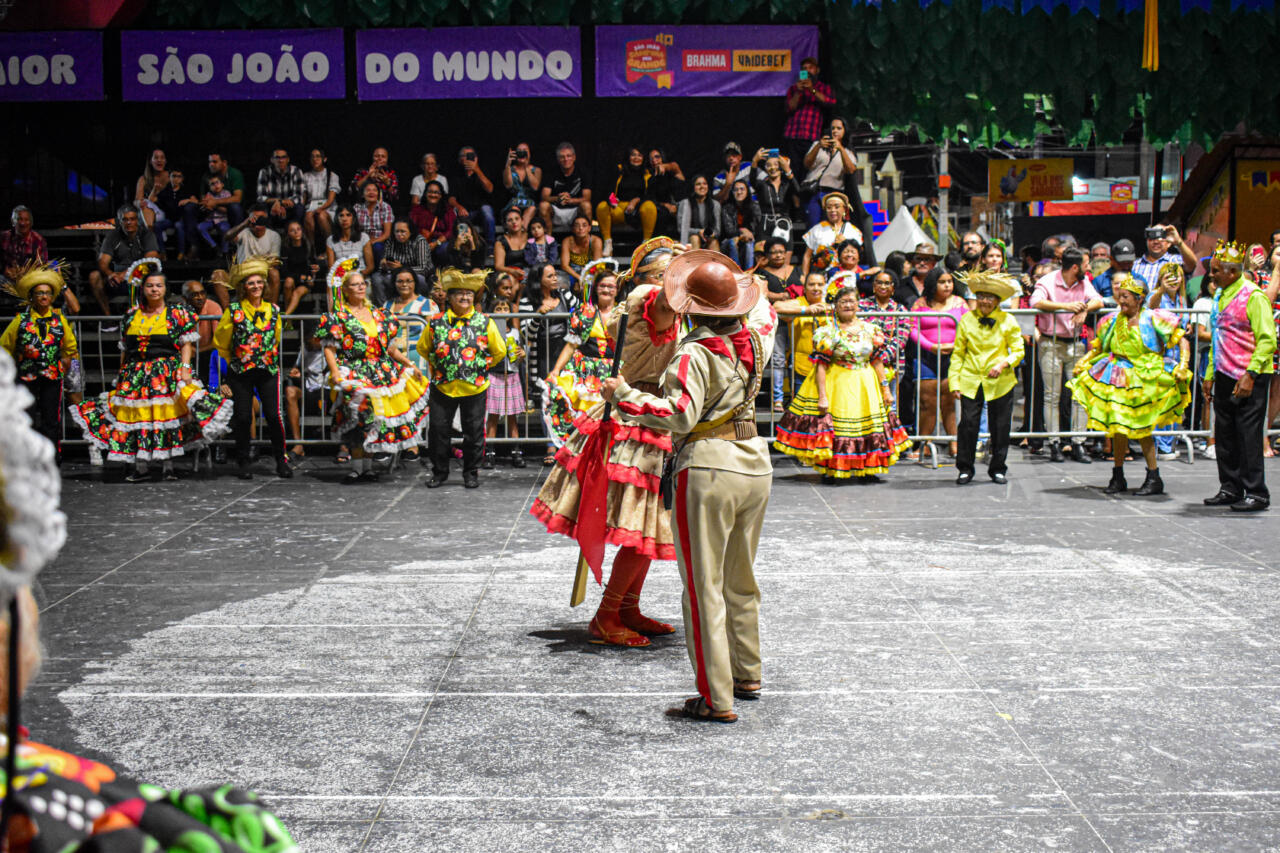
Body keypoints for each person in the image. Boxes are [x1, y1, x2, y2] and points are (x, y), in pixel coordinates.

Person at [601, 250, 775, 724]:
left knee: (703, 590)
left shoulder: (694, 352)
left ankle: (716, 698)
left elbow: (679, 414)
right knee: (741, 580)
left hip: (709, 467)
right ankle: (747, 673)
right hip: (755, 463)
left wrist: (624, 396)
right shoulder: (758, 340)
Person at [530, 238, 682, 648]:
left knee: (649, 526)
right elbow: (668, 301)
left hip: (649, 411)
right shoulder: (646, 297)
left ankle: (628, 607)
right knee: (641, 524)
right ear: (656, 277)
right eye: (674, 270)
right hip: (636, 417)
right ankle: (607, 614)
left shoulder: (643, 298)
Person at [71, 262, 231, 481]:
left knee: (165, 418)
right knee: (139, 419)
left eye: (158, 286)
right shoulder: (131, 315)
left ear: (165, 289)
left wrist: (185, 368)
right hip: (136, 374)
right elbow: (125, 349)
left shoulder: (176, 314)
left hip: (165, 372)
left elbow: (186, 344)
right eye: (150, 286)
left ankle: (168, 466)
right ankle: (141, 466)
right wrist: (121, 375)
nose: (155, 290)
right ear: (143, 289)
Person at [1068, 272, 1191, 497]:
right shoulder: (1112, 321)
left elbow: (1182, 341)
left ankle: (1154, 476)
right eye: (1120, 296)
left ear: (1139, 298)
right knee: (1118, 427)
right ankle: (1118, 474)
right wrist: (1083, 361)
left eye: (1126, 297)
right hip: (1118, 376)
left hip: (1145, 376)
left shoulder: (1153, 318)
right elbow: (1099, 348)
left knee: (1143, 429)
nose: (1122, 301)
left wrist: (1182, 365)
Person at [775, 284, 909, 483]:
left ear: (858, 305)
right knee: (837, 428)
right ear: (835, 306)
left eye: (852, 301)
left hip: (865, 383)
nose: (848, 305)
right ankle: (831, 469)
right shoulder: (828, 332)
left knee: (868, 428)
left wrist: (885, 389)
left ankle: (866, 469)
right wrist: (822, 396)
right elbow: (820, 365)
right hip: (837, 383)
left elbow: (877, 360)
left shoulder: (870, 330)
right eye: (843, 302)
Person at [316, 269, 429, 483]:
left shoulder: (378, 314)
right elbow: (329, 348)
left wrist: (408, 363)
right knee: (358, 417)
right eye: (355, 284)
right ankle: (356, 468)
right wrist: (336, 373)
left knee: (375, 419)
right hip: (354, 370)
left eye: (362, 283)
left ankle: (366, 468)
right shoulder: (338, 316)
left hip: (380, 371)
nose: (360, 287)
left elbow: (390, 348)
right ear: (345, 289)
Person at [417, 268, 512, 489]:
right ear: (449, 297)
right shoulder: (436, 322)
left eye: (469, 293)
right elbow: (424, 348)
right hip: (443, 387)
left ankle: (471, 473)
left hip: (475, 388)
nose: (464, 297)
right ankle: (439, 472)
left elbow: (499, 350)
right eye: (459, 293)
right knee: (438, 432)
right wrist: (439, 363)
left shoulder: (483, 321)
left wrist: (482, 365)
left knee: (474, 433)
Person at [1202, 241, 1277, 512]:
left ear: (1232, 272)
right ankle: (1231, 487)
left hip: (1249, 375)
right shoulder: (1219, 297)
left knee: (1248, 435)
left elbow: (1267, 340)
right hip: (1224, 373)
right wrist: (1210, 374)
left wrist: (1251, 374)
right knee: (1225, 434)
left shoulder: (1253, 296)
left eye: (1215, 270)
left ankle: (1256, 492)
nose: (1211, 275)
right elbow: (1218, 340)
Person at [213, 257, 291, 480]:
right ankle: (243, 460)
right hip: (241, 372)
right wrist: (235, 363)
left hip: (267, 370)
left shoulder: (273, 310)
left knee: (274, 416)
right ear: (243, 287)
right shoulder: (234, 310)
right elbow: (221, 341)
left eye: (259, 283)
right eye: (251, 283)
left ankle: (280, 460)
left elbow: (275, 338)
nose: (256, 287)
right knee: (244, 417)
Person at [949, 271, 1025, 485]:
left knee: (1000, 426)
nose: (984, 301)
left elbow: (1019, 350)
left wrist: (1003, 364)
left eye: (989, 297)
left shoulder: (1008, 320)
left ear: (998, 300)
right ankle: (965, 468)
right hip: (971, 379)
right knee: (968, 424)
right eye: (981, 296)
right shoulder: (966, 320)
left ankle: (998, 468)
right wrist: (955, 382)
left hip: (1000, 381)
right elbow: (958, 353)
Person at [1031, 247, 1103, 462]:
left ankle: (1078, 442)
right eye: (1086, 264)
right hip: (1050, 343)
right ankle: (1054, 443)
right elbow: (1036, 302)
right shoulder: (1048, 280)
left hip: (1075, 343)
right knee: (1052, 396)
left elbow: (1098, 300)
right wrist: (1066, 306)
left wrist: (1084, 309)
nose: (1088, 268)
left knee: (1079, 395)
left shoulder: (1083, 282)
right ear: (1075, 267)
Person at [0, 261, 78, 458]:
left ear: (52, 297)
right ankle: (25, 457)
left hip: (52, 378)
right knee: (27, 418)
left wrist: (65, 363)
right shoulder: (21, 320)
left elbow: (70, 347)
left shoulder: (60, 320)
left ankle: (51, 456)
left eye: (47, 293)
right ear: (32, 297)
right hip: (26, 378)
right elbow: (5, 347)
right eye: (39, 293)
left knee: (51, 419)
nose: (44, 296)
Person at [542, 260, 619, 447]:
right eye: (603, 286)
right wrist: (556, 371)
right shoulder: (584, 313)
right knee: (587, 418)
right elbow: (571, 345)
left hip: (614, 371)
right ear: (595, 288)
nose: (607, 290)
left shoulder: (624, 313)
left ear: (617, 290)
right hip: (587, 372)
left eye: (611, 286)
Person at [909, 266, 968, 458]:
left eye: (950, 282)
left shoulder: (960, 303)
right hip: (926, 357)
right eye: (942, 282)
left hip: (953, 357)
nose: (947, 285)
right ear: (933, 284)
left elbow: (968, 327)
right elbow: (912, 329)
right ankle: (924, 444)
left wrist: (955, 344)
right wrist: (931, 347)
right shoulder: (920, 303)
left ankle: (954, 443)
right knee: (927, 403)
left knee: (949, 402)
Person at [481, 271, 528, 468]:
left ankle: (516, 451)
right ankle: (489, 451)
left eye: (505, 308)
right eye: (498, 308)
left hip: (512, 375)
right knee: (492, 415)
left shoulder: (516, 332)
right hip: (495, 375)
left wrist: (522, 353)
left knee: (512, 416)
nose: (502, 311)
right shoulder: (488, 331)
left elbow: (522, 350)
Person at [87, 204, 160, 320]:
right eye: (125, 219)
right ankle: (108, 319)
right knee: (94, 276)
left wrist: (124, 274)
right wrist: (110, 274)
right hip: (117, 279)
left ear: (137, 220)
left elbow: (150, 260)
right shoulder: (112, 236)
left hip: (139, 277)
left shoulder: (146, 235)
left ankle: (142, 318)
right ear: (119, 221)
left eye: (132, 219)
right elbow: (102, 261)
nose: (129, 222)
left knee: (148, 276)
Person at [1147, 262, 1190, 460]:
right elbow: (1150, 305)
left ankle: (1167, 443)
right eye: (1168, 276)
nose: (1174, 280)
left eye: (1177, 276)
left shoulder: (1181, 299)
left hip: (1176, 356)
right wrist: (1161, 289)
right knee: (1162, 400)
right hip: (1159, 356)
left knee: (1174, 399)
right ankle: (1161, 445)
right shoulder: (1158, 295)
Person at [859, 269, 913, 403]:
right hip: (865, 364)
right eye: (879, 282)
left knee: (890, 405)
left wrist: (880, 360)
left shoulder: (900, 310)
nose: (883, 286)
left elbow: (900, 339)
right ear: (873, 286)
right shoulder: (861, 306)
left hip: (892, 367)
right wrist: (872, 359)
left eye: (887, 283)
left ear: (893, 288)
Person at [182, 152, 245, 257]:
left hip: (227, 211)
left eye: (215, 161)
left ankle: (235, 246)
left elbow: (237, 198)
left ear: (224, 163)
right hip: (210, 213)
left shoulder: (234, 174)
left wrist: (215, 203)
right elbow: (203, 199)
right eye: (210, 161)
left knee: (236, 207)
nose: (211, 164)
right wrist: (201, 202)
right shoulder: (206, 176)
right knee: (189, 208)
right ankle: (195, 245)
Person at [596, 147, 655, 256]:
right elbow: (608, 192)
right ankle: (608, 243)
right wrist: (613, 200)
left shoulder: (648, 173)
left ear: (643, 158)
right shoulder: (619, 170)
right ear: (628, 157)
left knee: (650, 206)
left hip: (638, 211)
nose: (636, 158)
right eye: (633, 155)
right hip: (619, 208)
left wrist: (635, 201)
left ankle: (646, 244)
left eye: (639, 155)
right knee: (602, 206)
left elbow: (650, 195)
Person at [801, 117, 857, 226]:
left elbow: (850, 170)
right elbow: (806, 164)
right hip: (814, 192)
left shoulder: (848, 152)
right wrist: (818, 146)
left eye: (839, 128)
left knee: (831, 227)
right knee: (813, 227)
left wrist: (840, 149)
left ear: (844, 131)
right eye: (833, 128)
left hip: (833, 193)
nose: (835, 131)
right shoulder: (818, 145)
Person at [783, 56, 837, 165]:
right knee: (793, 168)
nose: (807, 70)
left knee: (809, 167)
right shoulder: (794, 89)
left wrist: (812, 89)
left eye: (810, 68)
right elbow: (789, 108)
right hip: (793, 135)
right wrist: (799, 91)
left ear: (817, 70)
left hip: (811, 136)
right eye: (804, 68)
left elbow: (830, 102)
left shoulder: (823, 88)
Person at [801, 192, 861, 278]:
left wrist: (845, 243)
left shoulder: (853, 231)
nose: (832, 210)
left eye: (837, 207)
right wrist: (804, 278)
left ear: (844, 209)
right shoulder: (817, 229)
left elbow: (858, 257)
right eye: (829, 207)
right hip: (821, 276)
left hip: (847, 277)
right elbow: (807, 256)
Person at [538, 142, 592, 232]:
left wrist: (571, 201)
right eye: (562, 157)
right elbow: (544, 196)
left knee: (586, 205)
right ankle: (547, 242)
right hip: (556, 211)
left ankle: (586, 242)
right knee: (543, 206)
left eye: (568, 156)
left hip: (575, 211)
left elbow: (587, 197)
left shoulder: (583, 172)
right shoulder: (551, 173)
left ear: (574, 157)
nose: (566, 159)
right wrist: (558, 198)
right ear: (558, 159)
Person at [375, 220, 432, 303]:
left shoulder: (419, 241)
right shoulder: (391, 241)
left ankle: (420, 305)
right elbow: (385, 265)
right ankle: (384, 309)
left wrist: (402, 268)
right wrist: (384, 265)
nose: (399, 234)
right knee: (376, 278)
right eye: (397, 231)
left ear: (410, 232)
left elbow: (423, 268)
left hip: (418, 274)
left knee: (420, 280)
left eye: (403, 232)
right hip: (395, 274)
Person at [450, 145, 496, 247]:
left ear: (476, 158)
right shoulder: (456, 175)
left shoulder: (482, 171)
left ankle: (490, 248)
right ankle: (464, 249)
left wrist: (477, 170)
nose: (467, 158)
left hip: (481, 209)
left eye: (470, 155)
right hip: (466, 211)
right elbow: (451, 198)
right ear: (459, 159)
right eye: (464, 156)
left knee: (487, 212)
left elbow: (490, 189)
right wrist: (459, 207)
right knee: (459, 218)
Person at [182, 278, 223, 386]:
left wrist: (197, 350)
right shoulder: (179, 311)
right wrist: (189, 349)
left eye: (202, 293)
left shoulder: (213, 307)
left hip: (208, 352)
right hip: (186, 354)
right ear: (185, 298)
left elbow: (219, 340)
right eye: (195, 295)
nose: (200, 297)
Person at [409, 179, 455, 270]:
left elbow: (451, 230)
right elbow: (411, 227)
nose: (433, 195)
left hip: (441, 241)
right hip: (421, 240)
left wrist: (436, 243)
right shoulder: (417, 210)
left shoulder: (447, 210)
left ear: (441, 195)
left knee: (443, 249)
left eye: (436, 192)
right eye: (430, 192)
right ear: (425, 194)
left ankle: (442, 272)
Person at [753, 154, 800, 243]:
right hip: (766, 224)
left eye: (776, 164)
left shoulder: (786, 185)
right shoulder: (762, 185)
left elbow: (798, 191)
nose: (772, 168)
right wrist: (755, 161)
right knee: (764, 255)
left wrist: (788, 170)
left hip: (784, 224)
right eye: (769, 165)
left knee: (784, 254)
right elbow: (752, 180)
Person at [1132, 223, 1197, 287]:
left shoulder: (1176, 260)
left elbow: (1192, 264)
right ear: (1147, 241)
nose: (1156, 242)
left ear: (1169, 243)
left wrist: (1178, 242)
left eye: (1160, 238)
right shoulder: (1135, 264)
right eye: (1152, 237)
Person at [255, 147, 305, 229]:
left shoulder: (296, 171)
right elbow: (261, 197)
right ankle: (268, 236)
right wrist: (277, 201)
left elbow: (299, 196)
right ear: (272, 160)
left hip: (289, 206)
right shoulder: (264, 172)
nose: (280, 160)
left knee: (299, 207)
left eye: (283, 157)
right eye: (277, 157)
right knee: (261, 206)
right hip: (271, 207)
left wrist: (281, 203)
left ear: (288, 159)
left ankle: (294, 234)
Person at [326, 204, 374, 284]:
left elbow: (370, 267)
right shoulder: (330, 240)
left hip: (360, 278)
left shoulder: (364, 237)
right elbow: (331, 268)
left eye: (348, 215)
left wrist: (356, 277)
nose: (344, 219)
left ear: (354, 218)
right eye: (341, 215)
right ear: (337, 219)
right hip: (340, 279)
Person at [1, 206, 49, 285]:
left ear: (31, 223)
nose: (23, 223)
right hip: (6, 279)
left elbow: (42, 266)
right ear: (13, 222)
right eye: (19, 219)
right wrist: (5, 270)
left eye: (26, 220)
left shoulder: (38, 240)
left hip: (29, 279)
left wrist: (26, 272)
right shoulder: (4, 237)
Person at [302, 147, 340, 246]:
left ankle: (331, 246)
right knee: (308, 216)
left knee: (322, 216)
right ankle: (312, 249)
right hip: (311, 206)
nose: (315, 159)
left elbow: (331, 199)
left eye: (318, 156)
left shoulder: (331, 175)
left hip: (327, 207)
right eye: (313, 157)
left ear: (324, 159)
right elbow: (304, 197)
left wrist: (319, 209)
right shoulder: (306, 176)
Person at [644, 148, 685, 238]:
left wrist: (664, 166)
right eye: (651, 159)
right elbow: (651, 199)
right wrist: (667, 205)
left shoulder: (674, 171)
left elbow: (674, 166)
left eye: (657, 157)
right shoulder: (651, 179)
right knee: (660, 214)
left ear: (662, 157)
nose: (654, 161)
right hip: (665, 210)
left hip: (683, 207)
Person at [279, 220, 318, 315]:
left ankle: (286, 317)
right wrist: (300, 277)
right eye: (292, 230)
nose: (296, 232)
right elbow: (284, 270)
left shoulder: (308, 246)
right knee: (288, 282)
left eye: (298, 229)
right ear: (288, 234)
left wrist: (314, 271)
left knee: (297, 292)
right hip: (293, 278)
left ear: (302, 231)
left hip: (306, 281)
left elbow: (313, 265)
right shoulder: (286, 248)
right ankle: (288, 319)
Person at [719, 180, 761, 269]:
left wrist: (745, 235)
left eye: (742, 189)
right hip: (729, 240)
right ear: (732, 192)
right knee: (732, 242)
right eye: (736, 190)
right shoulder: (727, 207)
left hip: (750, 239)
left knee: (749, 241)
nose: (739, 192)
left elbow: (756, 229)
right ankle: (736, 271)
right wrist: (741, 231)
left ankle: (749, 271)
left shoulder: (754, 206)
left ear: (747, 191)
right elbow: (729, 231)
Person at [502, 141, 541, 229]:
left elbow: (535, 187)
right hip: (513, 203)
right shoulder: (509, 169)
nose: (522, 153)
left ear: (529, 154)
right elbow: (508, 185)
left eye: (524, 150)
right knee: (515, 211)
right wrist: (508, 164)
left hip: (530, 204)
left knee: (532, 209)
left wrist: (526, 166)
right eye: (519, 150)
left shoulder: (536, 170)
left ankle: (522, 234)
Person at [677, 174, 721, 251]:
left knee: (714, 242)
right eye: (698, 184)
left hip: (708, 238)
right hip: (689, 240)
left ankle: (714, 263)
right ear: (693, 187)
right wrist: (698, 232)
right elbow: (681, 229)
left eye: (704, 184)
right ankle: (694, 262)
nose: (702, 186)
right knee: (695, 238)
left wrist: (707, 233)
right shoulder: (685, 203)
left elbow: (717, 230)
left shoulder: (715, 205)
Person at [133, 148, 170, 236]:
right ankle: (151, 236)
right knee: (145, 204)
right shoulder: (143, 179)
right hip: (147, 212)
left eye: (162, 158)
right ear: (150, 161)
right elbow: (137, 200)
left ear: (165, 161)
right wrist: (139, 203)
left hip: (166, 212)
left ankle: (151, 238)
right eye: (156, 158)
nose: (159, 160)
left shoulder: (171, 177)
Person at [356, 181, 394, 266]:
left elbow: (387, 234)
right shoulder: (357, 208)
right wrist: (364, 242)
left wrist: (371, 242)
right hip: (361, 241)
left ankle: (378, 271)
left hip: (380, 241)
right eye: (368, 190)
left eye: (374, 190)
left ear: (378, 194)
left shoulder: (385, 207)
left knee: (377, 247)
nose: (371, 192)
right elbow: (354, 230)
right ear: (362, 194)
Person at [559, 212, 603, 283]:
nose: (580, 228)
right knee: (560, 280)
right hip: (572, 273)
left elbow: (597, 265)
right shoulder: (567, 241)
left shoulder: (596, 241)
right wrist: (579, 278)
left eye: (584, 225)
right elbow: (564, 266)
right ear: (573, 229)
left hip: (591, 273)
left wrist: (586, 279)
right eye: (577, 225)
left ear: (589, 228)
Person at [493, 208, 531, 279]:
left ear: (522, 221)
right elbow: (498, 266)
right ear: (505, 224)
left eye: (517, 219)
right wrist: (513, 271)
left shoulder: (530, 237)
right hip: (510, 274)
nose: (514, 222)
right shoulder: (501, 241)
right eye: (510, 220)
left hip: (530, 274)